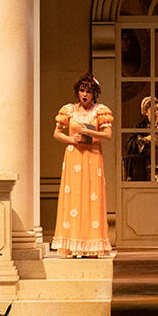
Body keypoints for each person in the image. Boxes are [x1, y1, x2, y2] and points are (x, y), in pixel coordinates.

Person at [52, 73, 113, 258]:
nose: (85, 94)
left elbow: (108, 135)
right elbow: (56, 133)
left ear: (94, 94)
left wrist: (89, 132)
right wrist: (72, 139)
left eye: (88, 91)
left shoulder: (100, 111)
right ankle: (73, 245)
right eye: (82, 90)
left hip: (92, 157)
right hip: (74, 157)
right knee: (73, 198)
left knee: (91, 198)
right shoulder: (69, 110)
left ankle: (91, 246)